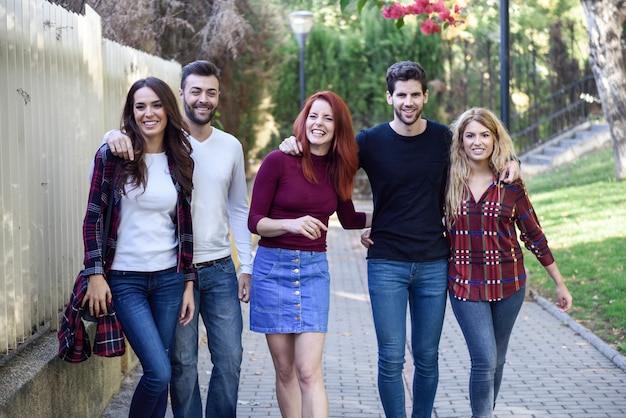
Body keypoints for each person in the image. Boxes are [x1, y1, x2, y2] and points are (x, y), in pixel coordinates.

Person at [279, 61, 520, 417]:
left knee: (426, 356)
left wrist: (513, 161)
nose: (408, 102)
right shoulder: (369, 141)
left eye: (415, 95)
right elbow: (329, 161)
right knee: (390, 357)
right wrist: (294, 143)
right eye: (401, 95)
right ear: (389, 96)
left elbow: (481, 148)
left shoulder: (443, 139)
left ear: (425, 97)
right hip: (386, 262)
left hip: (434, 262)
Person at [105, 60, 252, 418]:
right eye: (196, 91)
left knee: (230, 360)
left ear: (218, 97)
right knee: (181, 365)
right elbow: (125, 142)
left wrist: (246, 264)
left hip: (219, 268)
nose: (203, 99)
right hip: (175, 272)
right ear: (182, 93)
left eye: (211, 92)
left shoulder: (230, 146)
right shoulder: (166, 142)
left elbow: (238, 208)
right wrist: (111, 135)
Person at [248, 90, 372, 418]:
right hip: (272, 270)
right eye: (314, 115)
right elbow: (255, 222)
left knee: (307, 371)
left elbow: (349, 219)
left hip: (314, 272)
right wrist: (291, 224)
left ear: (338, 128)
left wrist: (393, 217)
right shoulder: (278, 161)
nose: (319, 123)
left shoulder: (338, 169)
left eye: (328, 118)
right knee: (286, 370)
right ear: (305, 119)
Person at [444, 107, 573, 417]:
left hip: (509, 284)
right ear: (460, 141)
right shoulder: (446, 181)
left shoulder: (510, 183)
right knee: (485, 358)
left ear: (495, 138)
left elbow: (533, 234)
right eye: (470, 135)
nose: (477, 142)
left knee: (497, 360)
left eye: (485, 135)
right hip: (465, 283)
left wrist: (559, 282)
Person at [82, 76, 196, 417]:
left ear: (168, 109)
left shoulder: (181, 158)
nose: (149, 113)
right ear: (131, 112)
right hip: (125, 280)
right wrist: (95, 274)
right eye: (140, 106)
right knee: (159, 372)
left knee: (158, 374)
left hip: (169, 280)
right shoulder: (113, 155)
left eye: (156, 105)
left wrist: (188, 281)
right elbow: (93, 219)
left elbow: (186, 228)